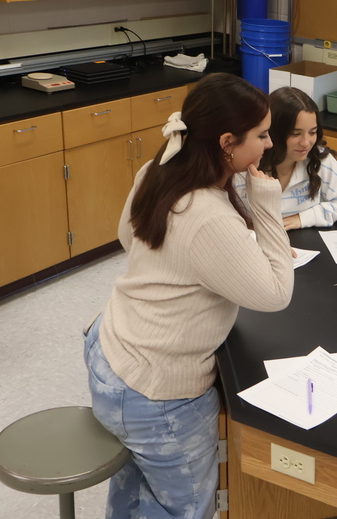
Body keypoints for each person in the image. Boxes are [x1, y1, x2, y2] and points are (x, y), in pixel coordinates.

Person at [83, 73, 295, 519]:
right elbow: (277, 294)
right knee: (187, 507)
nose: (270, 144)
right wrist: (267, 201)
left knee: (137, 486)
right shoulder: (207, 215)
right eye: (261, 135)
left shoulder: (161, 166)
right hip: (155, 391)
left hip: (111, 350)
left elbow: (128, 236)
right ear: (226, 142)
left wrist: (182, 267)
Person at [234, 86, 337, 229]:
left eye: (312, 132)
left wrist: (305, 218)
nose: (306, 143)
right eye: (296, 134)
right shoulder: (243, 166)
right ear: (273, 131)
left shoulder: (320, 160)